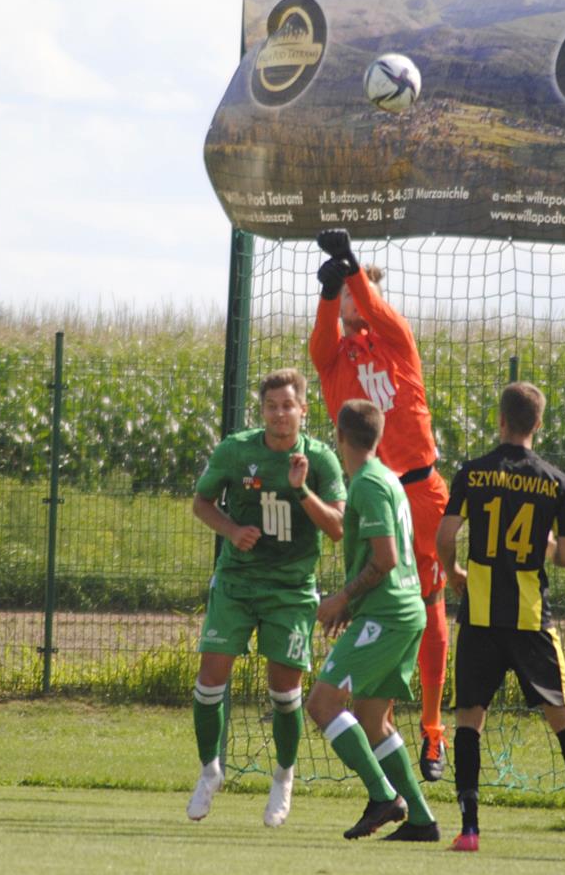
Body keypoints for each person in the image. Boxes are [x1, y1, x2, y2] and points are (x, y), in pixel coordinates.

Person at [435, 382, 565, 857]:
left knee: (469, 719)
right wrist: (542, 542)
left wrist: (453, 572)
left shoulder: (473, 473)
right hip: (529, 621)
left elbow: (445, 534)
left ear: (499, 420)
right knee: (562, 717)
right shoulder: (554, 481)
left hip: (480, 617)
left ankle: (468, 829)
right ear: (537, 425)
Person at [310, 229, 452, 781]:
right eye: (346, 293)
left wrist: (350, 270)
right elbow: (320, 342)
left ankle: (433, 733)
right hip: (373, 496)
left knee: (432, 608)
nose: (352, 299)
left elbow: (370, 303)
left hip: (421, 492)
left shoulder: (395, 340)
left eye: (358, 290)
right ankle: (380, 722)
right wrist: (329, 289)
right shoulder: (334, 360)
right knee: (380, 608)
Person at [186, 368, 346, 827]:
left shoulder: (321, 460)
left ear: (303, 410)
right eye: (271, 406)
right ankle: (208, 771)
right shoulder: (236, 451)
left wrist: (301, 490)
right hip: (237, 583)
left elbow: (336, 529)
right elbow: (201, 503)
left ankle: (283, 777)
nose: (280, 414)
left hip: (291, 590)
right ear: (263, 411)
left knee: (284, 692)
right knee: (209, 679)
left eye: (287, 406)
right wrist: (232, 530)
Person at [305, 399, 437, 842]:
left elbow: (385, 558)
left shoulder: (365, 485)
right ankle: (421, 819)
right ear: (377, 437)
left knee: (322, 705)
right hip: (404, 612)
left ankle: (384, 795)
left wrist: (342, 598)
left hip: (388, 614)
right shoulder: (388, 477)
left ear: (339, 436)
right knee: (372, 717)